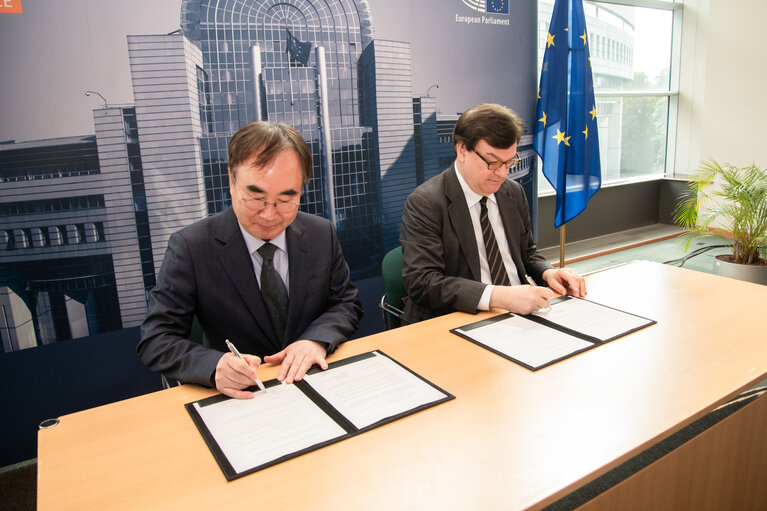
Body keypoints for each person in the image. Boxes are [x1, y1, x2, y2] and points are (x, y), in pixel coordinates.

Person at [138, 121, 363, 398]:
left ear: (302, 190)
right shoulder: (191, 247)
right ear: (231, 181)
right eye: (256, 198)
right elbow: (156, 339)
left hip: (314, 381)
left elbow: (345, 302)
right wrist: (214, 365)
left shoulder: (320, 233)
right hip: (243, 395)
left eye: (285, 200)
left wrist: (315, 340)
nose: (269, 215)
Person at [399, 103, 586, 324]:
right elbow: (422, 283)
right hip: (462, 319)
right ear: (462, 150)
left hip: (522, 315)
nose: (502, 173)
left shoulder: (512, 192)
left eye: (509, 162)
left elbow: (526, 253)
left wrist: (548, 273)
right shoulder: (426, 203)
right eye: (492, 162)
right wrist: (499, 296)